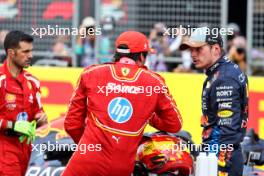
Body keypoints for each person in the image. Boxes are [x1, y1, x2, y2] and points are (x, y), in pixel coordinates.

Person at [63, 31, 183, 176]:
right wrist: (147, 115)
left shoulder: (90, 74)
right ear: (141, 56)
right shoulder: (154, 82)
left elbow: (71, 124)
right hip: (121, 167)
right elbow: (174, 124)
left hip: (85, 162)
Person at [180, 27, 248, 176]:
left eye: (198, 49)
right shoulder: (221, 72)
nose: (193, 54)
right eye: (191, 50)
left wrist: (210, 162)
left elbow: (226, 133)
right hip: (217, 157)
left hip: (222, 161)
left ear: (215, 49)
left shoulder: (224, 78)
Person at [0, 30, 47, 176]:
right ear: (11, 53)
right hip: (4, 147)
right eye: (25, 52)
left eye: (31, 51)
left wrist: (41, 118)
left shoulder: (33, 81)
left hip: (26, 150)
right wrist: (12, 125)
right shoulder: (1, 81)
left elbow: (39, 113)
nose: (30, 56)